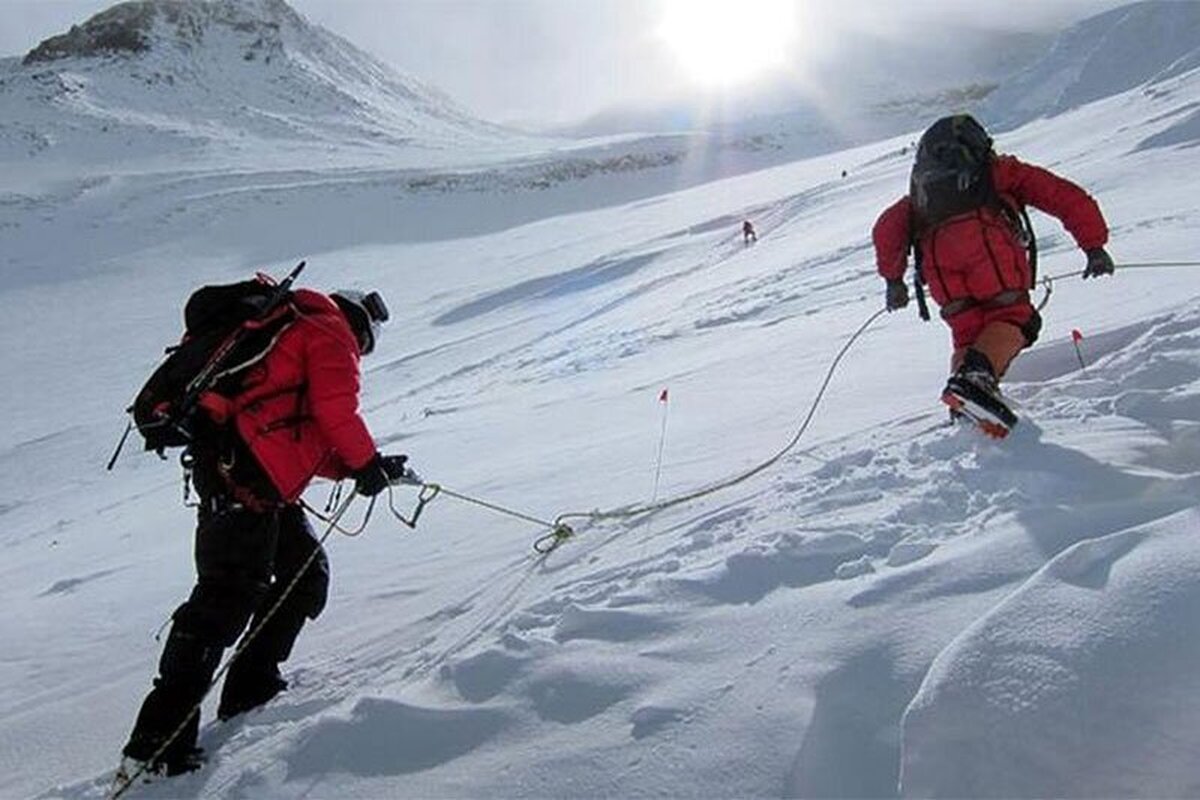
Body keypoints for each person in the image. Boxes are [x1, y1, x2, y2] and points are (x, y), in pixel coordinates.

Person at [120, 285, 408, 777]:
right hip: (246, 478)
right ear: (361, 327)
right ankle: (156, 745)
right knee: (224, 599)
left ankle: (250, 688)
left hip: (250, 474)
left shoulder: (295, 328)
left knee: (303, 573)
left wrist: (367, 467)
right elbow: (336, 411)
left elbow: (297, 428)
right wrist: (364, 464)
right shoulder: (328, 330)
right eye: (365, 345)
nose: (360, 352)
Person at [872, 114, 1115, 432]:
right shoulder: (999, 172)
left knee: (968, 333)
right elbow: (1062, 195)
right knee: (1016, 317)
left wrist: (893, 280)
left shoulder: (921, 195)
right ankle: (975, 384)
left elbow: (887, 228)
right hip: (990, 253)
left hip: (942, 271)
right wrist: (1093, 244)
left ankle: (967, 407)